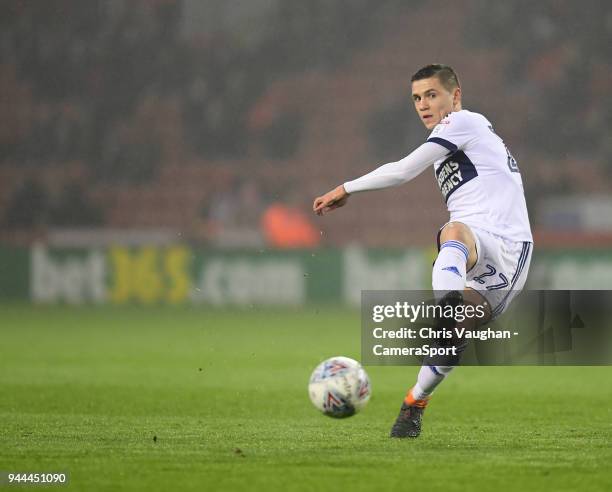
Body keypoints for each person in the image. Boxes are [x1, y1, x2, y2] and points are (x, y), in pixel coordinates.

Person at [312, 64, 533, 438]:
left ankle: (444, 306)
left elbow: (400, 170)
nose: (423, 104)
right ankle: (414, 404)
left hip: (507, 247)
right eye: (416, 98)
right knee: (453, 334)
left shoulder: (463, 122)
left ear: (455, 96)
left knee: (454, 231)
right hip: (485, 250)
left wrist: (346, 188)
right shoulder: (456, 142)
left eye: (432, 94)